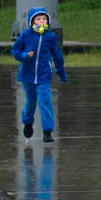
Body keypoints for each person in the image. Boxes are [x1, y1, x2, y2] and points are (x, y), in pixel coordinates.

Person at [10, 7, 67, 143]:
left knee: (45, 101)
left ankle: (47, 132)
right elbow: (15, 50)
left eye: (44, 19)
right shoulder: (25, 35)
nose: (42, 21)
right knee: (31, 102)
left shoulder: (51, 37)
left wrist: (60, 71)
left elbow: (58, 56)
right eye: (38, 19)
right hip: (27, 75)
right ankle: (28, 122)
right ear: (32, 21)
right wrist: (24, 55)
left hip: (44, 76)